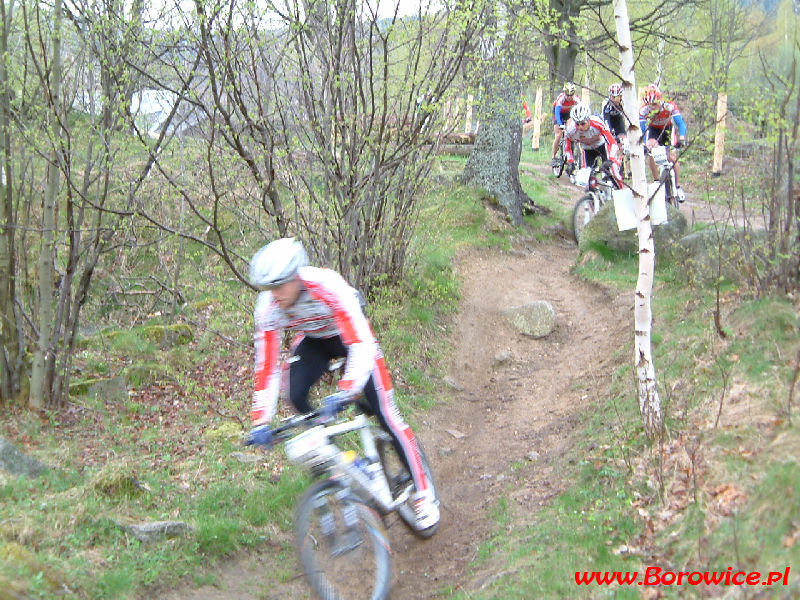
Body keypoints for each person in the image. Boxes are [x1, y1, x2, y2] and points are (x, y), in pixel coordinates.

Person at [244, 237, 440, 531]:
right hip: (315, 342)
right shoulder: (268, 309)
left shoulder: (327, 286)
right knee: (295, 394)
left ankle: (424, 494)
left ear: (297, 276)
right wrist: (261, 421)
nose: (276, 295)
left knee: (387, 413)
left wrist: (346, 389)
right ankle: (344, 464)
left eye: (280, 285)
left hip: (352, 338)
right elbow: (267, 367)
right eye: (269, 288)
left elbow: (360, 343)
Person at [638, 85, 688, 202]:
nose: (653, 107)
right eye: (650, 105)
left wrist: (681, 138)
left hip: (667, 129)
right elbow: (642, 128)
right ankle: (656, 181)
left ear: (660, 100)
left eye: (655, 104)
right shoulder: (644, 110)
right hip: (654, 131)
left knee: (671, 156)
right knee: (650, 153)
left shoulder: (669, 106)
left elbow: (680, 123)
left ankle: (678, 186)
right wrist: (644, 144)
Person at [564, 102, 623, 187]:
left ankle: (621, 189)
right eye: (577, 124)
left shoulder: (597, 123)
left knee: (613, 170)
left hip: (602, 147)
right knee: (585, 179)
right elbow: (567, 148)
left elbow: (612, 143)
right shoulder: (571, 130)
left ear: (588, 120)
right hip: (587, 150)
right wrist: (570, 162)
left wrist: (611, 159)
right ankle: (593, 197)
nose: (580, 127)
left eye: (583, 123)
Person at [602, 83, 630, 178]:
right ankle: (608, 164)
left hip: (618, 120)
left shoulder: (624, 103)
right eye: (613, 97)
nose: (615, 99)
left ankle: (620, 165)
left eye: (617, 97)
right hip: (608, 120)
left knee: (623, 141)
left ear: (621, 96)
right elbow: (606, 121)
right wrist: (611, 135)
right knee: (610, 142)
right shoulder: (606, 104)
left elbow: (627, 118)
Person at [550, 81, 581, 167]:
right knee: (558, 134)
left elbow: (581, 108)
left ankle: (570, 150)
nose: (569, 97)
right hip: (557, 112)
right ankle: (553, 157)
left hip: (567, 113)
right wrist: (560, 124)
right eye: (567, 95)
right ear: (564, 93)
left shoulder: (576, 98)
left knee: (571, 129)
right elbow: (557, 112)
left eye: (571, 95)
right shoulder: (561, 98)